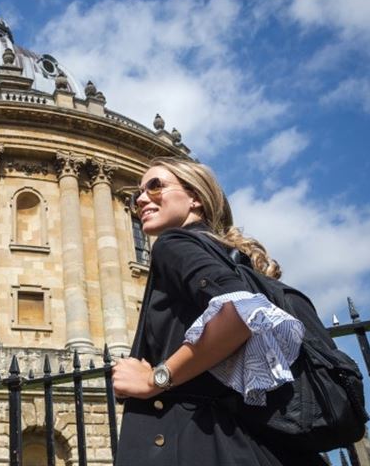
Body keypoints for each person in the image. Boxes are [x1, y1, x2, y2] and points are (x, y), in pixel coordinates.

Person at [112, 157, 325, 465]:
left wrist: (155, 378)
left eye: (155, 187)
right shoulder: (223, 253)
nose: (141, 198)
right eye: (137, 194)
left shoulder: (173, 243)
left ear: (195, 197)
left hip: (204, 442)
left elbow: (241, 314)